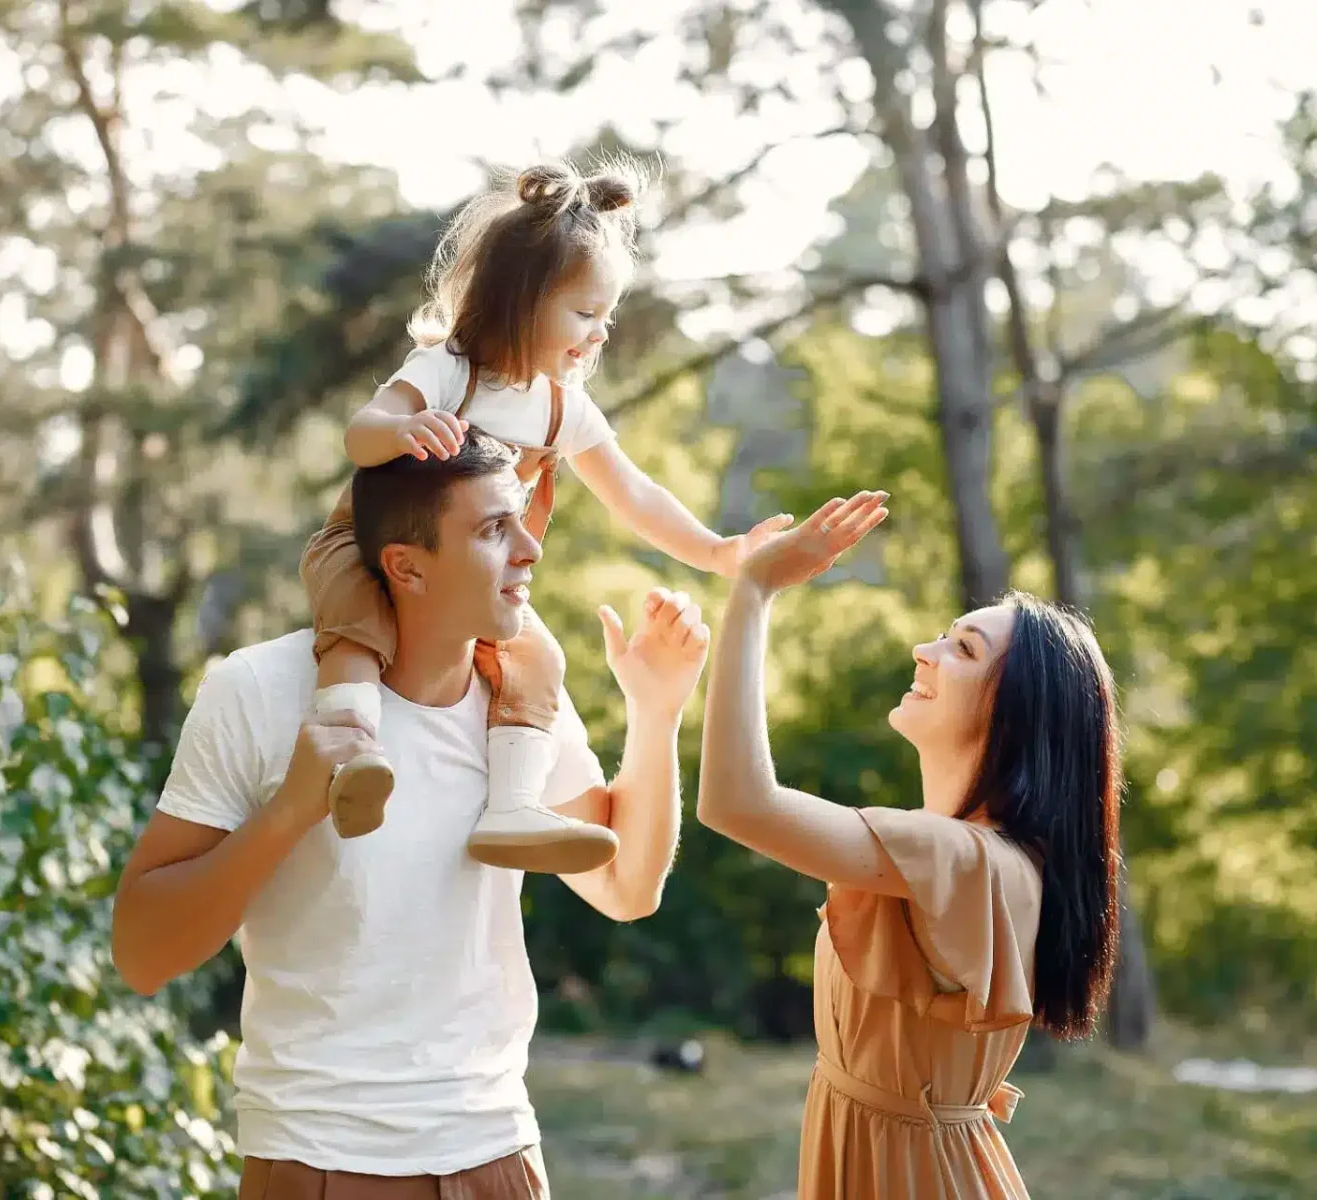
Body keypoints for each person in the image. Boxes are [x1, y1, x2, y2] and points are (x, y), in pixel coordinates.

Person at [111, 431, 710, 1199]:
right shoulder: (258, 691)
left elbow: (628, 887)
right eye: (494, 529)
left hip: (499, 1153)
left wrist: (656, 714)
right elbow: (143, 952)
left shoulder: (521, 707)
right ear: (406, 566)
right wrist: (291, 811)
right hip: (320, 1161)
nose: (530, 548)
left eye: (523, 518)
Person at [299, 156, 790, 875]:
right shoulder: (448, 371)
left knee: (539, 659)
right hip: (371, 547)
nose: (600, 334)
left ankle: (513, 805)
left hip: (475, 582)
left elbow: (635, 493)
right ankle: (349, 753)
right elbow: (362, 432)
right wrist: (401, 431)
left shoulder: (562, 409)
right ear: (519, 303)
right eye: (586, 314)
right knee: (356, 619)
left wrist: (716, 551)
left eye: (607, 318)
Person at [696, 492, 1123, 1199]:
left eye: (964, 649)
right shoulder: (962, 856)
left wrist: (753, 590)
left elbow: (736, 803)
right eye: (944, 636)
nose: (925, 651)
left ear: (1016, 714)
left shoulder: (965, 858)